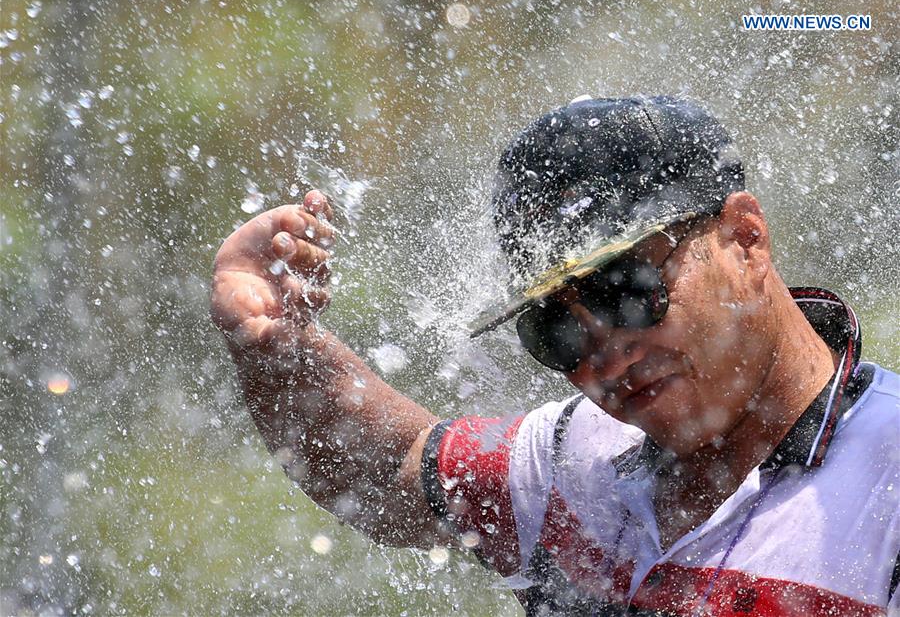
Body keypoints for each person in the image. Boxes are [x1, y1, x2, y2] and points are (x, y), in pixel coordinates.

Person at [210, 96, 899, 616]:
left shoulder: (887, 484)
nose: (603, 358)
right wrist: (277, 345)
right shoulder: (575, 459)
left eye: (625, 290)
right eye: (556, 331)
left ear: (745, 240)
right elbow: (388, 468)